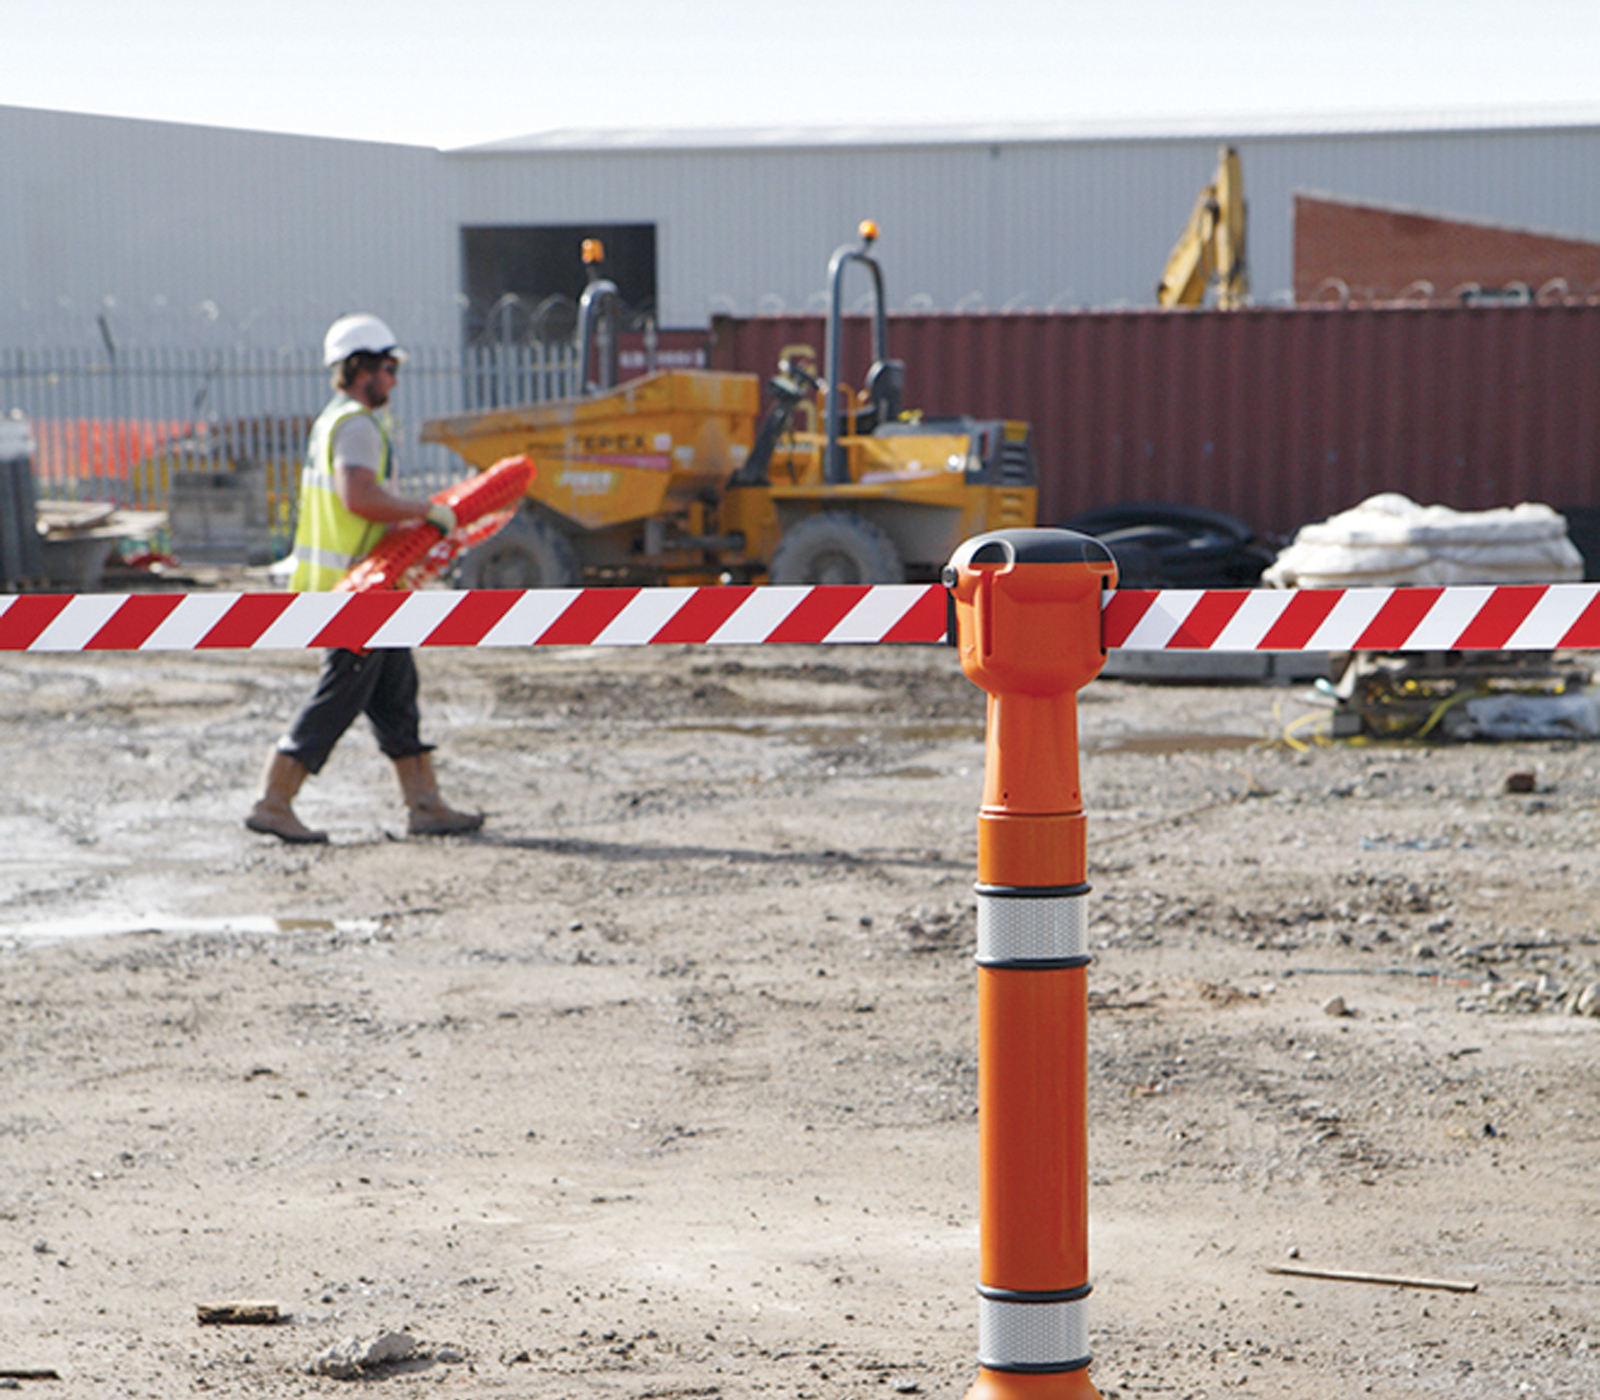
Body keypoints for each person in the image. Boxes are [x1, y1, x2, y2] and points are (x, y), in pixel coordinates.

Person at [246, 313, 484, 844]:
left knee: (397, 693)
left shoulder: (340, 419)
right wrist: (425, 511)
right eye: (389, 368)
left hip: (371, 589)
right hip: (353, 592)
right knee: (341, 693)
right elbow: (360, 497)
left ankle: (425, 805)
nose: (395, 381)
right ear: (362, 369)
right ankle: (273, 800)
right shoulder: (355, 425)